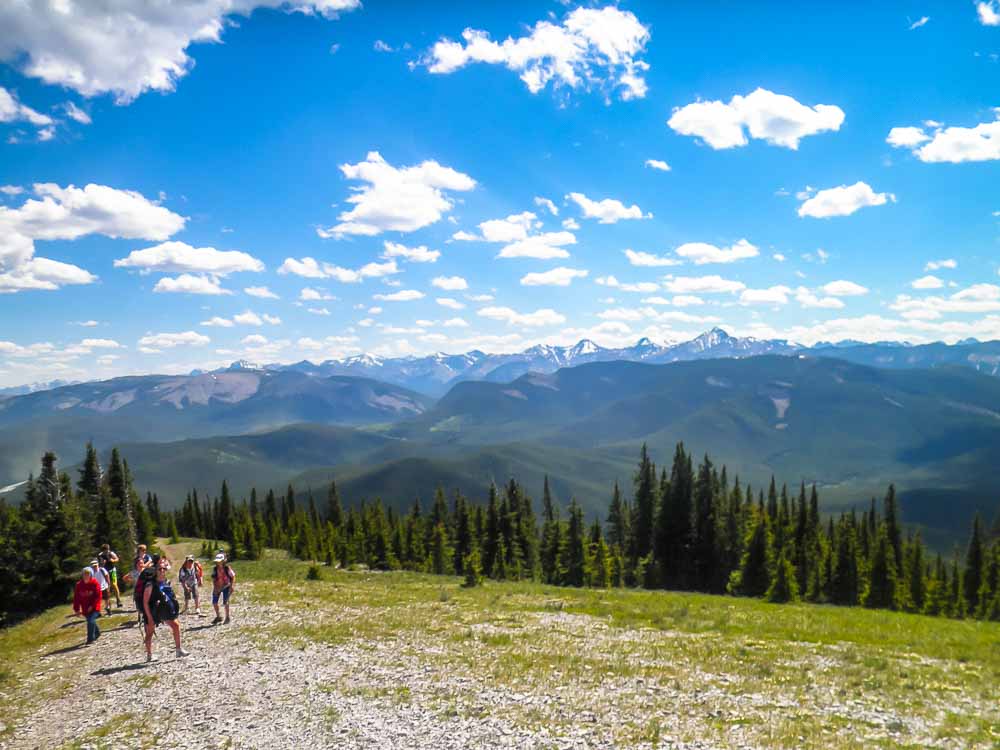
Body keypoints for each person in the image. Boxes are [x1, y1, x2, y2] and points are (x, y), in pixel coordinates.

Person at [140, 555, 189, 662]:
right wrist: (149, 617)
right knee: (149, 633)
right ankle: (149, 655)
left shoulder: (165, 581)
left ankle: (178, 649)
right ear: (156, 570)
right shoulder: (150, 584)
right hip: (152, 611)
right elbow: (145, 602)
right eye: (160, 569)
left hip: (163, 610)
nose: (162, 570)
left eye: (164, 568)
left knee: (176, 625)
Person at [73, 567, 102, 645]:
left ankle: (90, 639)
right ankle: (97, 633)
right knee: (90, 621)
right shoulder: (79, 585)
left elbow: (98, 596)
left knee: (90, 620)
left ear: (91, 575)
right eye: (84, 574)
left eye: (87, 574)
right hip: (85, 607)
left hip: (95, 607)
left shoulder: (95, 583)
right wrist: (77, 609)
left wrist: (92, 606)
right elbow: (76, 598)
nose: (86, 576)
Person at [210, 553, 236, 625]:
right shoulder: (215, 569)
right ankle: (218, 616)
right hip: (218, 586)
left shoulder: (227, 568)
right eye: (217, 561)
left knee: (226, 602)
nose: (218, 563)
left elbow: (233, 577)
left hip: (226, 586)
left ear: (223, 561)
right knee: (214, 602)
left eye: (220, 561)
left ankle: (227, 617)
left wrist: (232, 586)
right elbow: (214, 579)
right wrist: (215, 588)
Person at [98, 544, 122, 610]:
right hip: (105, 571)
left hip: (112, 570)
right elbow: (99, 563)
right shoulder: (100, 555)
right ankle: (108, 603)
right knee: (107, 587)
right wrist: (102, 563)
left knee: (114, 584)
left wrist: (113, 560)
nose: (107, 551)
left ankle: (118, 600)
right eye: (105, 550)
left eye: (107, 550)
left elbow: (117, 559)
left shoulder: (111, 553)